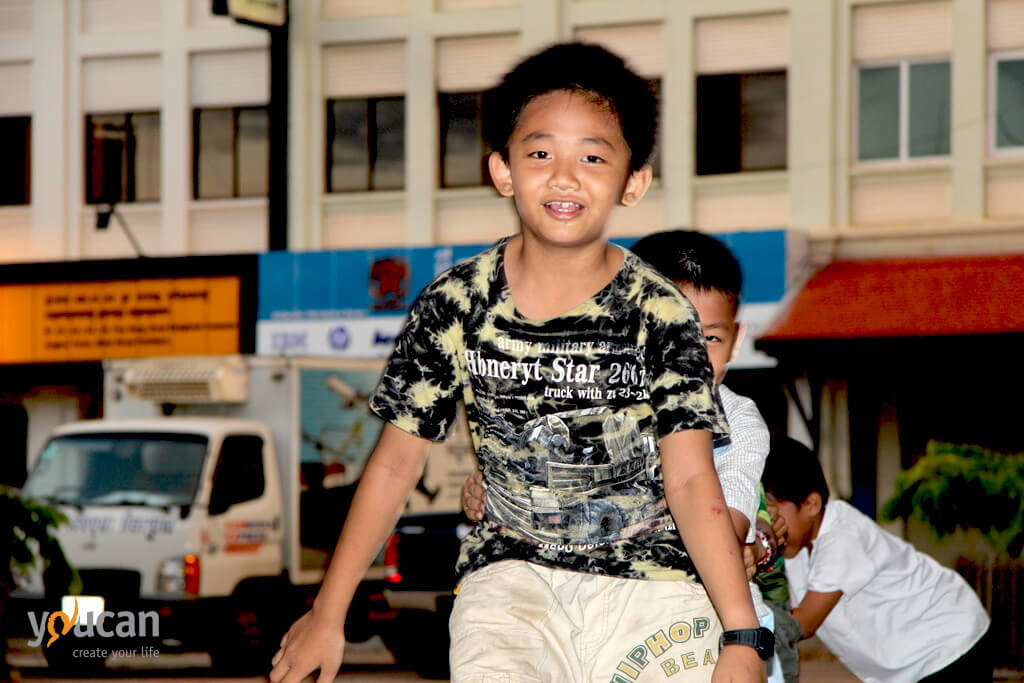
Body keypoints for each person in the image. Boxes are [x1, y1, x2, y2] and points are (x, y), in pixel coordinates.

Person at [270, 43, 767, 683]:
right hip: (509, 584)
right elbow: (395, 465)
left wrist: (742, 632)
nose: (564, 176)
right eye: (540, 154)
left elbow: (693, 480)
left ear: (632, 181)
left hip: (654, 585)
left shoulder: (662, 312)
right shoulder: (453, 304)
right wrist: (327, 613)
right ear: (503, 171)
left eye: (592, 156)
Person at [461, 228, 794, 681]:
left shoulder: (737, 419)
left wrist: (750, 541)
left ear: (737, 339)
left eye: (709, 340)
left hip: (694, 625)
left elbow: (726, 521)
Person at [762, 436, 993, 683]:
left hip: (949, 643)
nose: (769, 523)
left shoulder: (843, 537)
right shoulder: (796, 549)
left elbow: (802, 624)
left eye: (771, 510)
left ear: (811, 504)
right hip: (910, 660)